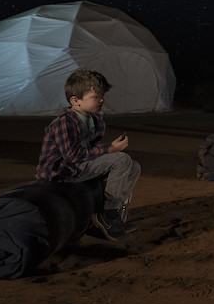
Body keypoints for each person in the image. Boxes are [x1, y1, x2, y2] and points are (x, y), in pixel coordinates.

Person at [35, 69, 141, 240]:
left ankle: (114, 215)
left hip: (80, 166)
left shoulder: (94, 119)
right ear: (75, 101)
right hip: (62, 172)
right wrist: (110, 150)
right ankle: (107, 215)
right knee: (121, 160)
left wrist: (108, 152)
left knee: (134, 167)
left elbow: (90, 149)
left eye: (102, 96)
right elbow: (72, 156)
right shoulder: (64, 122)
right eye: (95, 97)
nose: (101, 100)